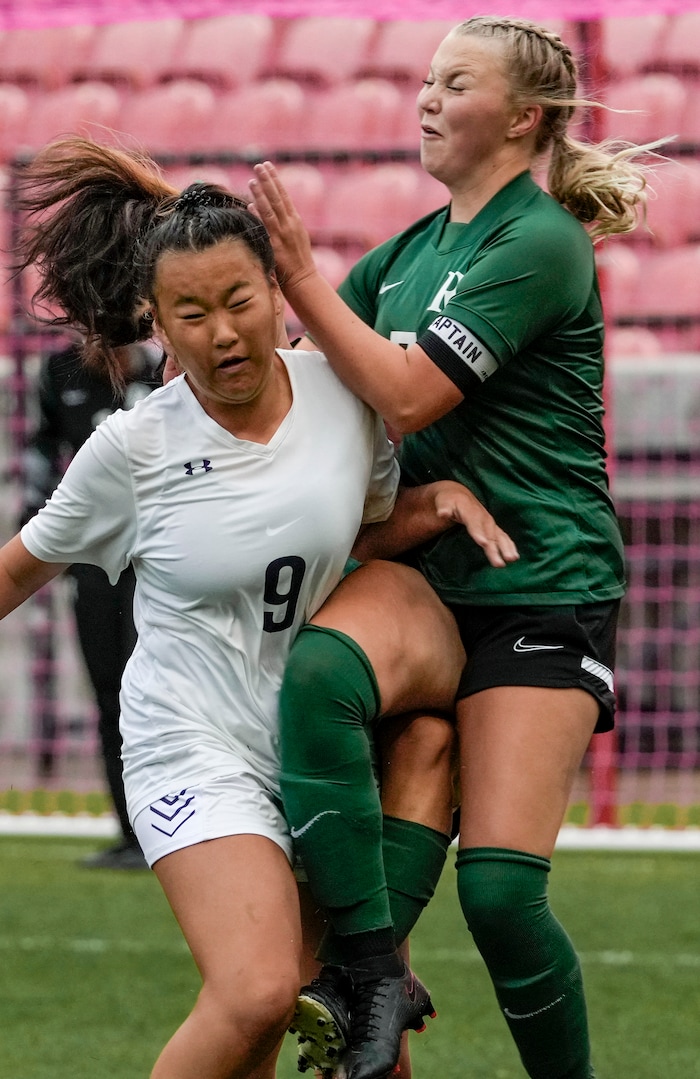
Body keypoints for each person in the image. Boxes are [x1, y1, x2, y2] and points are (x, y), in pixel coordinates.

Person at [7, 135, 517, 1079]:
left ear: (279, 294)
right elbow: (13, 573)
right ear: (154, 320)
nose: (222, 332)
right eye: (190, 313)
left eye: (239, 300)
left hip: (322, 752)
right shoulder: (133, 449)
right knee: (255, 989)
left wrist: (435, 505)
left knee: (368, 1040)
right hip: (193, 742)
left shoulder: (345, 397)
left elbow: (345, 537)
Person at [249, 15, 654, 1079]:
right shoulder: (413, 248)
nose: (425, 97)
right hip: (434, 579)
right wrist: (212, 356)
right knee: (322, 673)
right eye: (425, 79)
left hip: (538, 586)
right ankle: (373, 973)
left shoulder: (540, 240)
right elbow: (305, 371)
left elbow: (410, 389)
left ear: (523, 119)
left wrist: (298, 278)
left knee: (500, 894)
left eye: (454, 82)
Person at [20, 339, 162, 869]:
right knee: (108, 691)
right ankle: (130, 835)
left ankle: (168, 829)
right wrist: (36, 529)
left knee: (149, 689)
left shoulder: (164, 368)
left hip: (155, 554)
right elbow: (42, 449)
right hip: (90, 557)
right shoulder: (59, 371)